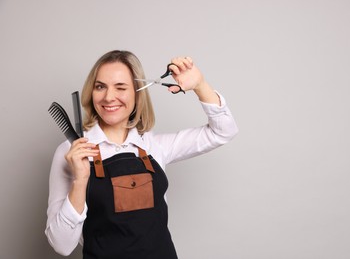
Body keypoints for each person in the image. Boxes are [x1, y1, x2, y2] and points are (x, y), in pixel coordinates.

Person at [45, 50, 238, 258]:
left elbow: (224, 131)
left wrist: (200, 85)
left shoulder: (154, 146)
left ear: (137, 94)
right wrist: (80, 181)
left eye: (121, 87)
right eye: (100, 87)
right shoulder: (71, 152)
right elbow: (62, 245)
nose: (109, 97)